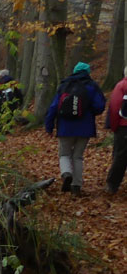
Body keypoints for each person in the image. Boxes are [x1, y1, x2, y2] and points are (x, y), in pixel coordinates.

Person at [44, 61, 107, 195]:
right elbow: (100, 106)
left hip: (65, 127)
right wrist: (89, 112)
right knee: (78, 157)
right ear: (88, 72)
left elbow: (54, 107)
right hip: (85, 128)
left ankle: (66, 173)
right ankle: (76, 186)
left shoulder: (65, 85)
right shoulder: (92, 86)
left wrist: (49, 126)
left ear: (74, 71)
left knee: (64, 154)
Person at [105, 66, 127, 195]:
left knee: (120, 156)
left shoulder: (121, 86)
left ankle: (112, 184)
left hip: (123, 127)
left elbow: (114, 108)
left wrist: (114, 127)